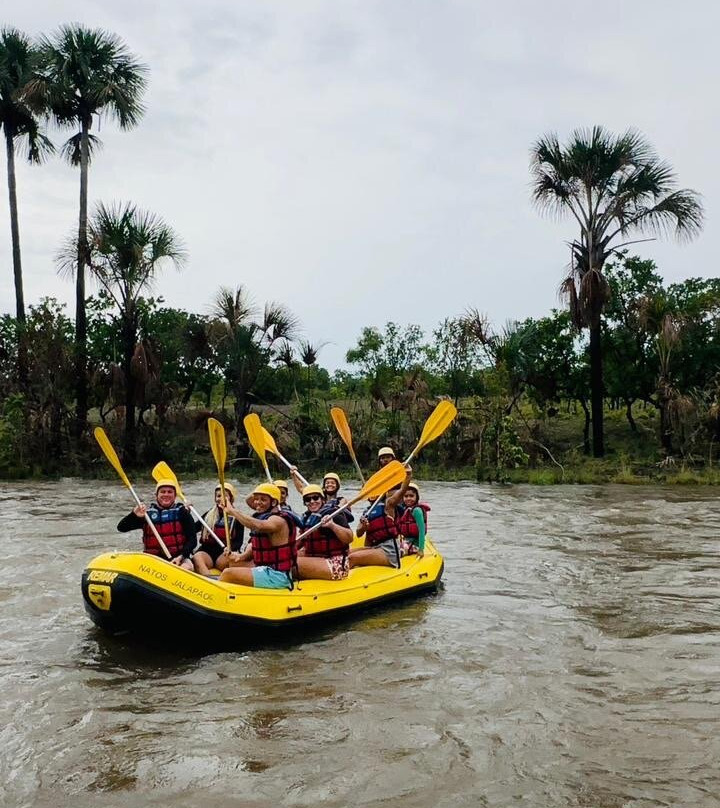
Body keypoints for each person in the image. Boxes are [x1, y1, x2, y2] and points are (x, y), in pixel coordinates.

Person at [219, 483, 298, 589]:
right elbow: (256, 546)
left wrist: (233, 511)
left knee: (228, 574)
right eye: (256, 499)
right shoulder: (263, 516)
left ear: (274, 502)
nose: (257, 503)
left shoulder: (279, 520)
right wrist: (238, 556)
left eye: (263, 500)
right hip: (264, 569)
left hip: (278, 576)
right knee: (230, 565)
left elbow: (259, 525)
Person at [117, 479, 196, 570]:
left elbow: (192, 539)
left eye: (170, 492)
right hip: (153, 559)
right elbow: (121, 528)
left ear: (174, 496)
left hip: (179, 558)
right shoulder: (146, 514)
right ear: (156, 496)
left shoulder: (182, 512)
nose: (166, 494)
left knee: (187, 567)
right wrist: (134, 515)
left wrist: (181, 556)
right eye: (162, 492)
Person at [350, 467, 411, 569]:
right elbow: (359, 533)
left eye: (376, 491)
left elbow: (401, 491)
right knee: (346, 554)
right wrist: (364, 527)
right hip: (374, 548)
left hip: (389, 550)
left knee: (352, 558)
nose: (373, 494)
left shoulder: (388, 505)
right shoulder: (366, 512)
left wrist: (408, 476)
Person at [295, 485, 353, 581]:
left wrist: (332, 525)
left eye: (315, 498)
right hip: (317, 560)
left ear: (323, 500)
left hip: (336, 565)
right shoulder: (307, 519)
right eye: (308, 499)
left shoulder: (334, 514)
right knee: (286, 559)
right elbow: (297, 544)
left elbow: (349, 538)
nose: (312, 501)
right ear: (305, 503)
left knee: (290, 563)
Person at [192, 483, 245, 577]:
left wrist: (230, 549)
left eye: (224, 496)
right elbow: (193, 528)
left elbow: (239, 542)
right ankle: (209, 580)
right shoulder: (209, 514)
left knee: (230, 560)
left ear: (231, 499)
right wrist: (187, 513)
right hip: (207, 551)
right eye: (218, 496)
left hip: (224, 552)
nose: (220, 498)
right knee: (197, 557)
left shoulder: (237, 517)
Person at [395, 482, 429, 558]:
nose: (408, 498)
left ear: (416, 497)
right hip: (407, 541)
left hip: (415, 543)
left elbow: (421, 530)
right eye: (406, 496)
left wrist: (421, 549)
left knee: (399, 551)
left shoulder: (417, 510)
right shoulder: (404, 509)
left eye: (411, 496)